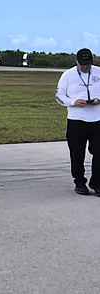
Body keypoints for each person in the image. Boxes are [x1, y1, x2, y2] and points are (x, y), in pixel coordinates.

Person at [55, 48, 100, 195]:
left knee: (99, 152)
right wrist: (73, 102)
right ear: (77, 62)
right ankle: (80, 182)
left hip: (97, 119)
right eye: (82, 64)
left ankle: (97, 182)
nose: (85, 67)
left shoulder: (98, 72)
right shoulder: (68, 75)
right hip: (76, 120)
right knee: (77, 153)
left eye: (87, 64)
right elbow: (59, 96)